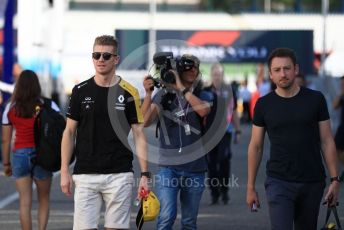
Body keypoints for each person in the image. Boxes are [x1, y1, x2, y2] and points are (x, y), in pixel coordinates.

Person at [60, 35, 149, 230]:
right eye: (96, 55)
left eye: (106, 56)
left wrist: (145, 175)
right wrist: (64, 171)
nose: (100, 59)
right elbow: (68, 132)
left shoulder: (129, 92)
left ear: (116, 59)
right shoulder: (80, 91)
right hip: (85, 174)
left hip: (119, 174)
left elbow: (139, 134)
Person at [246, 47, 339, 230]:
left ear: (296, 69)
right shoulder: (264, 105)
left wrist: (335, 180)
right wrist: (250, 187)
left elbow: (327, 140)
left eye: (287, 68)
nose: (283, 74)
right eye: (277, 70)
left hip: (312, 182)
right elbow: (256, 146)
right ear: (270, 75)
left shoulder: (315, 99)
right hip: (278, 182)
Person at [142, 54, 210, 230]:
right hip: (168, 167)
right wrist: (149, 95)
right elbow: (145, 122)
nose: (191, 70)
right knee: (166, 217)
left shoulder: (204, 93)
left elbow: (204, 111)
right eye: (187, 66)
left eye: (195, 67)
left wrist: (181, 87)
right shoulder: (164, 95)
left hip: (195, 168)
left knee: (189, 222)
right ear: (178, 70)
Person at [2, 70, 59, 230]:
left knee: (24, 203)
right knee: (43, 199)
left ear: (19, 86)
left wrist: (6, 164)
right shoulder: (48, 105)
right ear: (37, 85)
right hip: (43, 155)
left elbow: (6, 140)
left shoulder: (11, 108)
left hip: (20, 155)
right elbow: (59, 130)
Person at [204, 63, 241, 205]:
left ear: (223, 75)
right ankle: (214, 193)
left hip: (226, 132)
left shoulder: (229, 90)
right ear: (211, 75)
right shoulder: (205, 91)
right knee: (211, 164)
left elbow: (235, 112)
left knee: (223, 160)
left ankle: (224, 190)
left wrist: (238, 131)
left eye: (219, 74)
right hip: (209, 134)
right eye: (214, 74)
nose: (217, 77)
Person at [333, 76, 344, 170]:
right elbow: (334, 106)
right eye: (341, 84)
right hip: (342, 126)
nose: (342, 85)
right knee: (336, 148)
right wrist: (341, 93)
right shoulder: (342, 96)